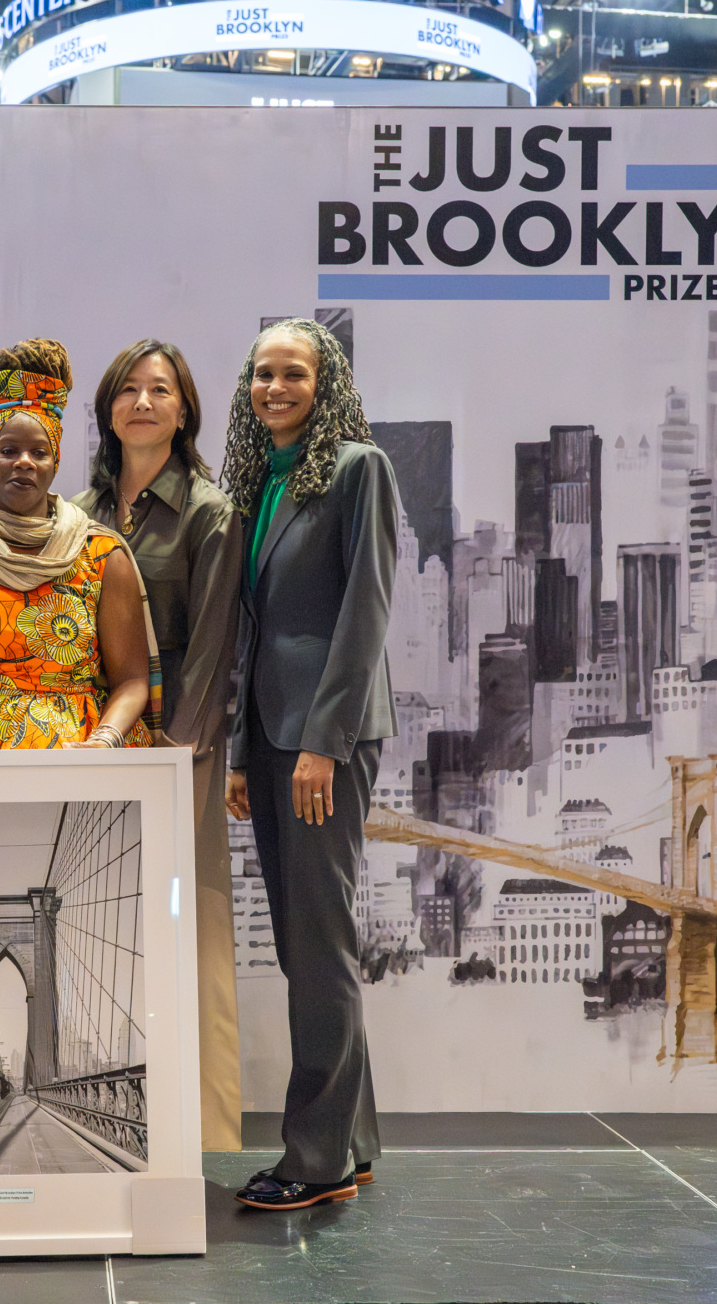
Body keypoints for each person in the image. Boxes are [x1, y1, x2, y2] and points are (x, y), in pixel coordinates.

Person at [219, 317, 399, 1211]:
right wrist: (245, 750)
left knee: (318, 946)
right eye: (262, 374)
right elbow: (255, 628)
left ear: (325, 384)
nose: (275, 388)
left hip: (325, 740)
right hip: (271, 738)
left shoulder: (359, 468)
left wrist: (323, 742)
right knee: (307, 945)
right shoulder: (259, 481)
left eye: (293, 373)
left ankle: (315, 1157)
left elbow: (365, 610)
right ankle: (353, 1141)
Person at [73, 340, 246, 1151]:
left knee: (198, 935)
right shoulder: (77, 515)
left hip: (180, 750)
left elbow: (213, 650)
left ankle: (208, 1137)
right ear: (109, 409)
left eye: (161, 389)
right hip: (91, 743)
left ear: (184, 411)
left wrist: (176, 755)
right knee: (97, 932)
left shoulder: (211, 512)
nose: (143, 401)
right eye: (128, 390)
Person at [0, 338, 154, 753]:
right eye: (8, 450)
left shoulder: (101, 555)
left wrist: (105, 742)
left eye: (39, 451)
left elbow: (130, 679)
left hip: (83, 768)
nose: (24, 462)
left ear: (55, 461)